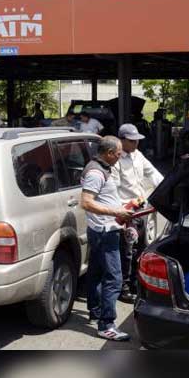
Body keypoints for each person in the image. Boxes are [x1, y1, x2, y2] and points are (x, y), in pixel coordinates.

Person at [80, 136, 133, 342]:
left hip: (102, 228)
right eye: (119, 154)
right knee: (114, 278)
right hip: (104, 231)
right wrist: (115, 212)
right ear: (109, 153)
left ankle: (95, 311)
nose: (120, 158)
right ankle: (107, 325)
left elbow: (103, 198)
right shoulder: (95, 172)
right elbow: (86, 202)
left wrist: (124, 209)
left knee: (96, 271)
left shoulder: (101, 168)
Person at [110, 124, 164, 304]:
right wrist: (122, 211)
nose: (135, 144)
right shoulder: (116, 160)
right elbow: (114, 189)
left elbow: (154, 175)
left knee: (141, 249)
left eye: (137, 141)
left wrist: (167, 188)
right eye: (132, 141)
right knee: (127, 252)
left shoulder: (138, 156)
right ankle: (123, 288)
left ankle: (135, 283)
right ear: (122, 140)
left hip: (141, 209)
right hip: (127, 213)